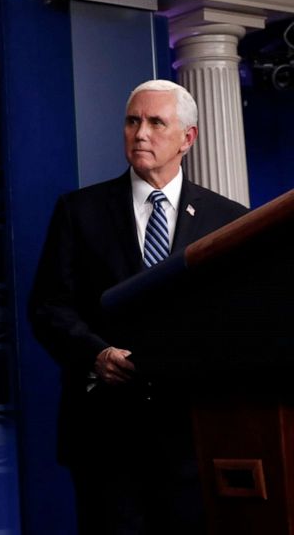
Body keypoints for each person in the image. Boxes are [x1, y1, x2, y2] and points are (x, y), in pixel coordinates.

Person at [29, 79, 248, 534]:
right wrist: (95, 354)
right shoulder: (79, 209)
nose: (140, 133)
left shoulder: (227, 218)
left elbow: (236, 318)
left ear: (188, 138)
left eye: (155, 122)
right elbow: (49, 306)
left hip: (193, 433)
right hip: (105, 436)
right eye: (133, 121)